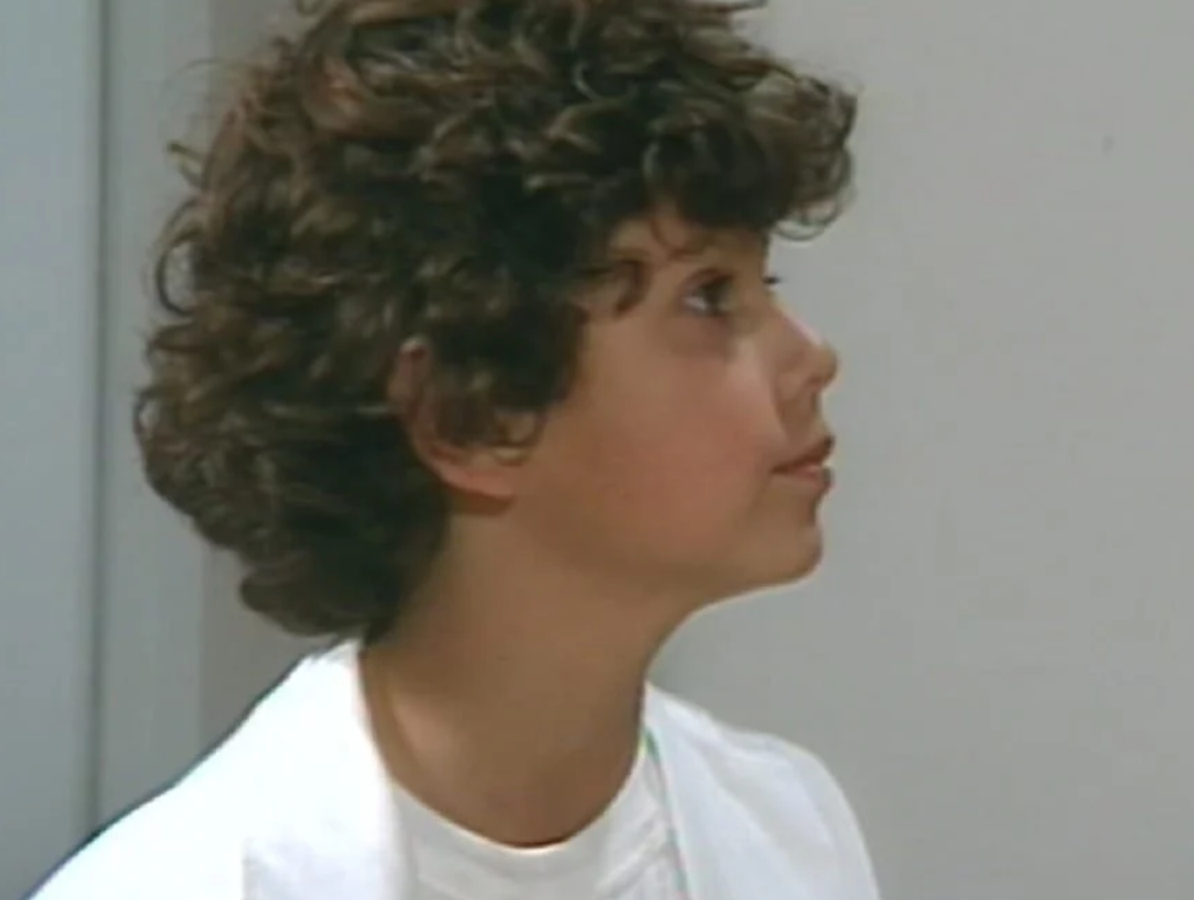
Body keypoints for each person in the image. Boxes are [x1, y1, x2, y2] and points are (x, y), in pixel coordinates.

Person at [33, 0, 875, 897]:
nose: (811, 358)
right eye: (708, 297)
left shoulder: (791, 829)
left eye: (763, 282)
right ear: (468, 418)